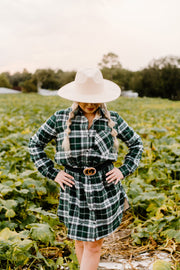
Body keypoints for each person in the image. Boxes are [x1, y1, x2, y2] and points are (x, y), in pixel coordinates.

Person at [29, 67, 143, 270]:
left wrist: (123, 170)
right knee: (80, 240)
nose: (90, 104)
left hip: (103, 187)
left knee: (93, 245)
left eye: (94, 99)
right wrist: (53, 173)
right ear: (75, 96)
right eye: (84, 98)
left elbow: (136, 144)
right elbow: (34, 144)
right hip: (73, 187)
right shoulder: (59, 119)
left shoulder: (113, 119)